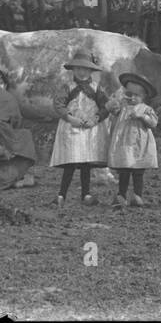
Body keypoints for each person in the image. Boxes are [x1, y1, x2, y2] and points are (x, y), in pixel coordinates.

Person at [51, 50, 110, 207]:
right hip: (72, 127)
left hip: (90, 128)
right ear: (73, 70)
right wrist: (70, 118)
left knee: (86, 162)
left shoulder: (97, 88)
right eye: (78, 68)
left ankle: (86, 194)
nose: (81, 72)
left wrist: (96, 119)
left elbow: (106, 106)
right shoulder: (67, 87)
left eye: (85, 69)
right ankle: (61, 195)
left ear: (91, 71)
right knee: (71, 161)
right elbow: (58, 104)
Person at [107, 72, 159, 208]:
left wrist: (142, 117)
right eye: (130, 94)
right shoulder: (123, 108)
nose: (132, 98)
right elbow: (114, 114)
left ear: (143, 97)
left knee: (138, 171)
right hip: (124, 143)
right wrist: (113, 108)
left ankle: (137, 195)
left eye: (137, 95)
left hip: (139, 144)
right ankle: (121, 195)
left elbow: (153, 123)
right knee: (124, 171)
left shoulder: (146, 109)